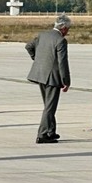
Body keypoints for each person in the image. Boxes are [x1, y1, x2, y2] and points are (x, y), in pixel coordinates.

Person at [26, 14, 71, 144]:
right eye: (68, 29)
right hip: (52, 78)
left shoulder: (42, 35)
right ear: (63, 28)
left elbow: (29, 46)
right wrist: (66, 81)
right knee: (50, 107)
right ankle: (42, 134)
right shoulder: (61, 40)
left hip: (40, 75)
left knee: (48, 105)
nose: (68, 31)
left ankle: (51, 131)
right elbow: (63, 63)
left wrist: (37, 59)